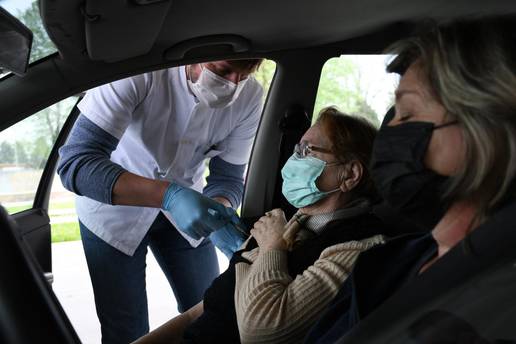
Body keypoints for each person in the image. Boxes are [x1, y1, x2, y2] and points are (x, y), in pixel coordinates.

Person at [304, 18, 516, 343]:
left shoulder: (500, 303)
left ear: (490, 130)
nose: (389, 133)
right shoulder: (384, 262)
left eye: (407, 115)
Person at [133, 107, 390, 343]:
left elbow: (260, 331)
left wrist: (271, 249)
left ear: (351, 174)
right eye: (296, 149)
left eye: (307, 151)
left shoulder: (359, 248)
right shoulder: (285, 223)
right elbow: (200, 313)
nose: (294, 161)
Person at [57, 59, 264, 344]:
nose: (233, 84)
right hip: (113, 211)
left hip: (188, 206)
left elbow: (228, 177)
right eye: (222, 69)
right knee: (126, 328)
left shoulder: (251, 96)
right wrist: (169, 195)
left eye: (245, 74)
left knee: (211, 308)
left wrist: (220, 209)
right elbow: (77, 164)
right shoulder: (137, 73)